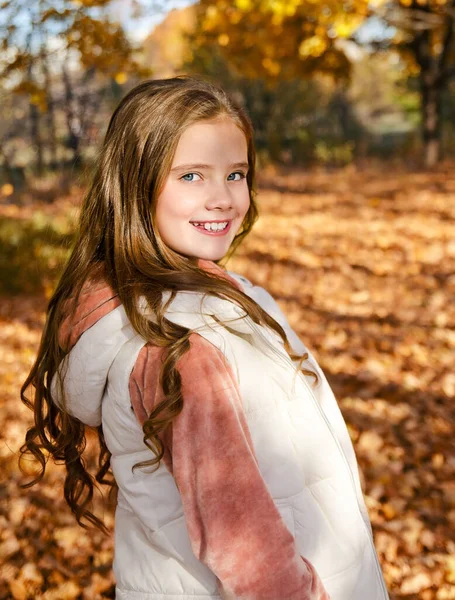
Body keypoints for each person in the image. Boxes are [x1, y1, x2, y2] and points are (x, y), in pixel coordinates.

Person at [20, 76, 389, 600]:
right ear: (134, 184)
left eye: (235, 174)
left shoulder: (203, 299)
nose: (221, 198)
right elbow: (243, 543)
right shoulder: (181, 345)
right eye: (191, 175)